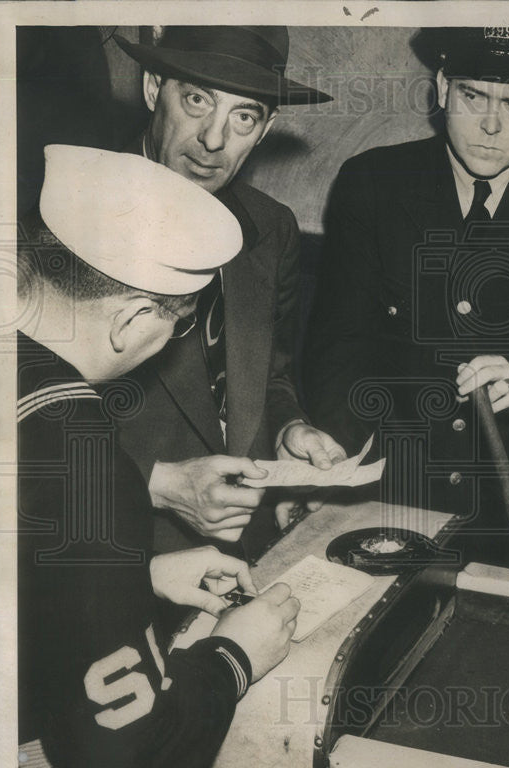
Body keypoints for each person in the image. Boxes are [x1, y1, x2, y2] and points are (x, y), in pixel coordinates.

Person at [16, 145, 301, 768]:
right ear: (132, 319)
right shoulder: (83, 456)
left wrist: (133, 576)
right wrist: (234, 655)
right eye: (176, 327)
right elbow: (125, 752)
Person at [303, 27, 509, 559]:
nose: (491, 125)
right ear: (442, 87)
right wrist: (336, 459)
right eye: (473, 95)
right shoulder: (373, 184)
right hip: (389, 495)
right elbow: (339, 342)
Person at [112, 26, 343, 562]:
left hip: (251, 546)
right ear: (153, 89)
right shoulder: (62, 218)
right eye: (197, 100)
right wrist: (160, 483)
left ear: (266, 129)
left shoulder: (271, 228)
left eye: (244, 116)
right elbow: (24, 429)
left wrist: (288, 430)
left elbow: (270, 377)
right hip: (118, 555)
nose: (214, 140)